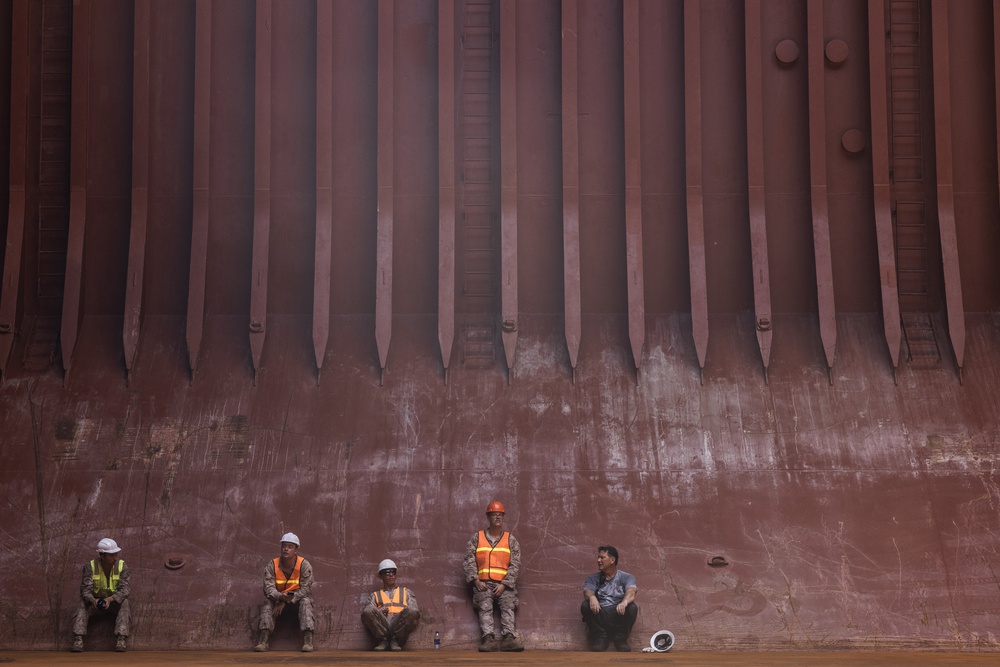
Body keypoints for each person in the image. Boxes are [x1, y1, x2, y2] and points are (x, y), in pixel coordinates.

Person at [462, 500, 524, 652]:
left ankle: (509, 638)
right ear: (488, 517)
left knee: (508, 605)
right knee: (484, 607)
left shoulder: (511, 540)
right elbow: (468, 559)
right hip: (483, 584)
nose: (497, 517)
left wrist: (505, 584)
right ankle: (488, 638)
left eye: (500, 515)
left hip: (504, 585)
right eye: (494, 515)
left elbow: (515, 564)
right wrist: (475, 580)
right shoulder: (477, 538)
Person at [254, 532, 315, 652]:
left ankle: (308, 641)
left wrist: (286, 601)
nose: (286, 549)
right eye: (284, 546)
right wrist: (280, 597)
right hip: (278, 600)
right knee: (267, 602)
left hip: (296, 601)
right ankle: (263, 640)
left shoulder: (304, 565)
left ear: (296, 549)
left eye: (290, 547)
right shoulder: (272, 565)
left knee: (306, 602)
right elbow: (268, 588)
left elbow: (305, 590)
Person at [71, 537, 131, 652]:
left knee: (125, 602)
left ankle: (121, 639)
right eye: (111, 554)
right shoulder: (90, 566)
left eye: (115, 553)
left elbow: (125, 590)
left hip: (113, 602)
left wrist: (110, 599)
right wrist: (93, 601)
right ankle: (78, 639)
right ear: (102, 556)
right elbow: (85, 591)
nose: (115, 557)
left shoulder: (122, 566)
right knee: (83, 604)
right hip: (94, 601)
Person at [581, 545, 638, 651]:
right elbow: (587, 591)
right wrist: (592, 597)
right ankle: (600, 639)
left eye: (602, 558)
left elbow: (631, 591)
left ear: (612, 560)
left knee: (632, 607)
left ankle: (621, 640)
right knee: (585, 605)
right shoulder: (593, 578)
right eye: (598, 557)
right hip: (600, 616)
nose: (598, 560)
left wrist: (624, 602)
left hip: (618, 615)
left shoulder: (627, 577)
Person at [360, 558, 421, 651]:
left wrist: (404, 612)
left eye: (393, 572)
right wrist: (379, 611)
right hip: (383, 623)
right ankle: (383, 640)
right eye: (387, 573)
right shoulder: (375, 595)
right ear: (381, 576)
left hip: (399, 623)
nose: (391, 575)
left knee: (413, 611)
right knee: (368, 611)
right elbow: (367, 612)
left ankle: (396, 640)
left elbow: (414, 610)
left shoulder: (406, 592)